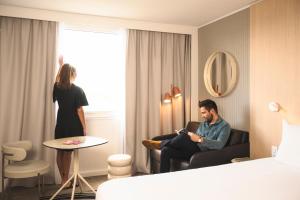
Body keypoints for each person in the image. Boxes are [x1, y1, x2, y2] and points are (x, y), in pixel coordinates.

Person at [142, 99, 231, 173]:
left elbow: (220, 144)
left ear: (212, 111)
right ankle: (163, 180)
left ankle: (161, 144)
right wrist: (188, 134)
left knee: (183, 138)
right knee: (166, 150)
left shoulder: (224, 126)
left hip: (201, 153)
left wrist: (200, 139)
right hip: (191, 148)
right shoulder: (204, 124)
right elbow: (197, 136)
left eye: (204, 113)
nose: (202, 116)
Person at [53, 63, 88, 184]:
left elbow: (58, 79)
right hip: (72, 125)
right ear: (72, 74)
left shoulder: (57, 87)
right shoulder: (77, 90)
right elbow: (79, 110)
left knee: (60, 151)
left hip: (60, 123)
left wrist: (60, 65)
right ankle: (64, 179)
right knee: (67, 153)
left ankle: (64, 178)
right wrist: (84, 127)